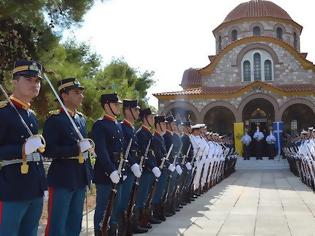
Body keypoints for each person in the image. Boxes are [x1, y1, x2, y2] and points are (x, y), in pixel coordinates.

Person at [0, 59, 47, 236]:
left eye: (37, 81)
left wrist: (42, 184)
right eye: (28, 79)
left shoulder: (31, 115)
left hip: (34, 187)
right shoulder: (3, 112)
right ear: (14, 81)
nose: (34, 84)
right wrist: (21, 149)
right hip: (12, 188)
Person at [43, 78, 93, 236]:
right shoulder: (55, 119)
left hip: (79, 176)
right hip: (62, 177)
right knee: (57, 223)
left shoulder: (81, 119)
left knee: (75, 222)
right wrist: (75, 149)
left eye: (81, 93)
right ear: (64, 95)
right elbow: (48, 149)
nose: (81, 96)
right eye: (77, 93)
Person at [92, 93, 124, 236]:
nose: (118, 107)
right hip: (106, 173)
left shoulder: (117, 124)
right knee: (103, 206)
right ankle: (99, 232)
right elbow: (101, 150)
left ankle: (112, 231)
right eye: (115, 104)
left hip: (118, 170)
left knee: (115, 206)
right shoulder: (100, 125)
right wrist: (111, 170)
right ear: (106, 105)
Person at [119, 99, 147, 234]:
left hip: (133, 170)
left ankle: (128, 225)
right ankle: (122, 228)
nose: (138, 112)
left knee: (131, 200)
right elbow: (124, 149)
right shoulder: (122, 127)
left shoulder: (131, 127)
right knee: (123, 201)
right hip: (127, 169)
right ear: (127, 111)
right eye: (136, 109)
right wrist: (132, 163)